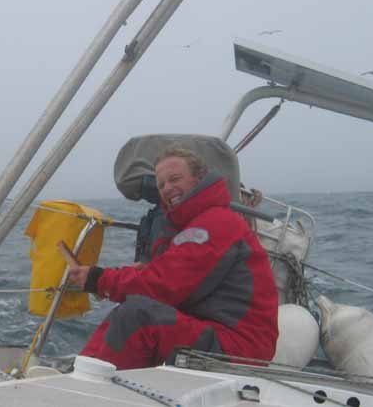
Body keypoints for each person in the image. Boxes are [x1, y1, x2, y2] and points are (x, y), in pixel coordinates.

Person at [67, 144, 278, 369]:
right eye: (161, 184)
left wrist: (98, 279)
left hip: (240, 347)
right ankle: (78, 373)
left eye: (175, 179)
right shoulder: (190, 225)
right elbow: (166, 274)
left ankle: (96, 383)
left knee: (137, 316)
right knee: (127, 311)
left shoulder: (216, 223)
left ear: (199, 179)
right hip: (212, 329)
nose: (167, 188)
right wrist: (135, 273)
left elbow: (163, 285)